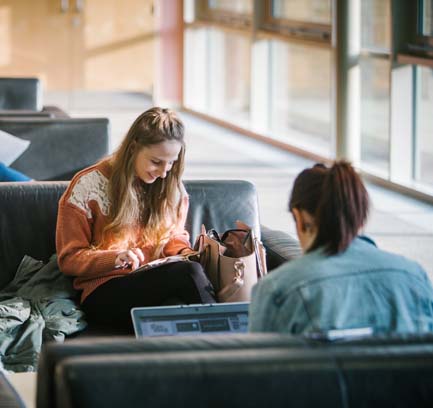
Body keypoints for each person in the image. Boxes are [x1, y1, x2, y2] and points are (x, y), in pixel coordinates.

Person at [56, 107, 215, 333]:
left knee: (191, 275)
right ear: (133, 149)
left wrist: (185, 253)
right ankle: (227, 343)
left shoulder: (172, 188)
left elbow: (175, 238)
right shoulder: (88, 186)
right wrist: (115, 258)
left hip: (155, 282)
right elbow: (69, 259)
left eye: (171, 163)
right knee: (189, 275)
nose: (163, 172)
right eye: (156, 161)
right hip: (104, 291)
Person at [249, 160, 433, 335]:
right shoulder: (415, 276)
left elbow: (261, 364)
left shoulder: (276, 289)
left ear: (300, 218)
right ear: (359, 214)